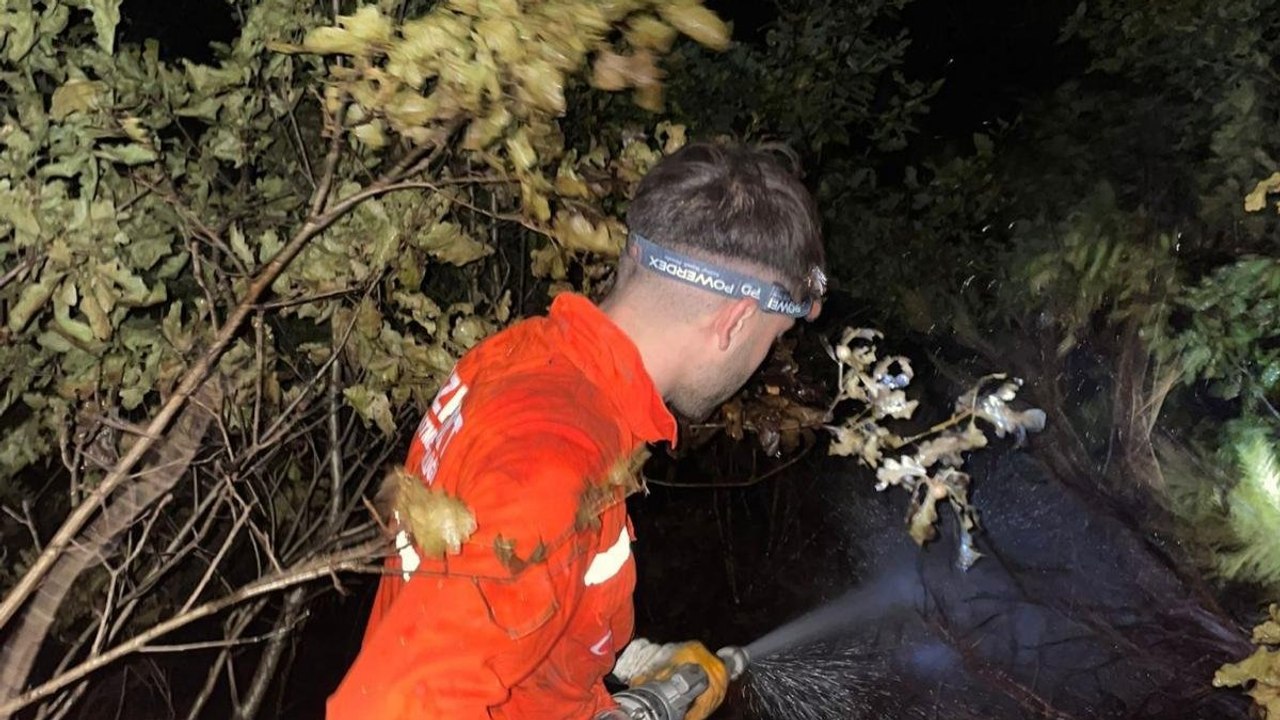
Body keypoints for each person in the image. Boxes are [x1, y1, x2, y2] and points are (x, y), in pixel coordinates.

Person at [326, 140, 827, 720]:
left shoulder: (529, 359)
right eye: (769, 339)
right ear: (736, 320)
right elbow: (391, 708)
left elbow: (509, 601)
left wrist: (633, 661)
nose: (761, 362)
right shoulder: (555, 455)